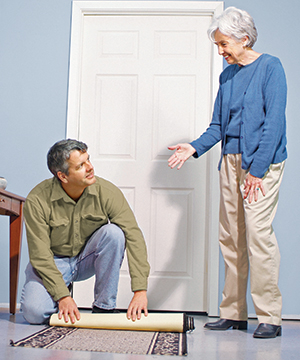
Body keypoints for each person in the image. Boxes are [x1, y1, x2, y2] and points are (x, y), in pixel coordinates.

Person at [168, 7, 287, 339]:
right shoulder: (228, 76)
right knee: (231, 238)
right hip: (231, 162)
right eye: (218, 45)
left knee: (258, 236)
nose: (220, 52)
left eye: (223, 44)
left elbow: (274, 125)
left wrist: (257, 171)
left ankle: (270, 317)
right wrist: (192, 147)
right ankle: (233, 313)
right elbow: (218, 126)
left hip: (261, 163)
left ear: (244, 39)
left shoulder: (270, 68)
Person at [20, 139, 150, 325]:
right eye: (81, 165)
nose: (90, 167)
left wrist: (140, 291)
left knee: (114, 233)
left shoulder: (107, 191)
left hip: (86, 258)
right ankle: (59, 295)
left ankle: (104, 307)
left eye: (88, 160)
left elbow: (134, 236)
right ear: (63, 176)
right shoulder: (37, 200)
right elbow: (40, 256)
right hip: (54, 262)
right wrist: (62, 296)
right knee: (34, 314)